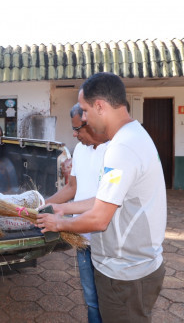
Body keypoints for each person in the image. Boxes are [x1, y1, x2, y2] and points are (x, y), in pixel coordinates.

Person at [37, 72, 167, 323]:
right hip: (130, 267)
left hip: (126, 273)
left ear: (100, 106)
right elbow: (104, 201)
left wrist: (59, 223)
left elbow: (99, 219)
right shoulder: (133, 136)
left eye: (84, 111)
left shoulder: (122, 148)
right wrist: (63, 208)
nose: (83, 118)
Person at [44, 103, 107, 323]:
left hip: (107, 240)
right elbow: (72, 188)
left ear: (92, 123)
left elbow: (105, 201)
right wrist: (43, 205)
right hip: (82, 237)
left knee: (109, 302)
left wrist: (62, 214)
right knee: (91, 300)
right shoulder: (80, 149)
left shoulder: (115, 151)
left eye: (78, 128)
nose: (74, 133)